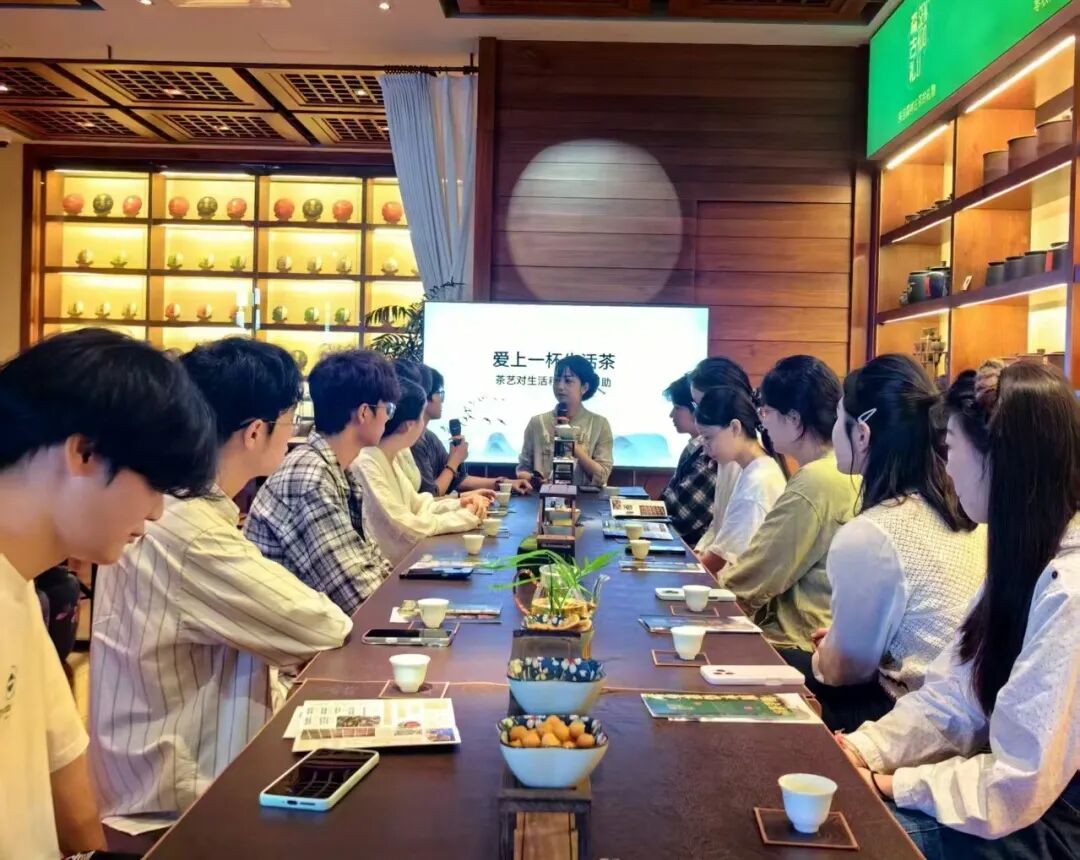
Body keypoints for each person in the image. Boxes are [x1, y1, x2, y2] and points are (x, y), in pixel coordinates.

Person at [90, 338, 353, 825]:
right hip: (176, 807)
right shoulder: (190, 530)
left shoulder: (180, 509)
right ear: (255, 432)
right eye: (291, 421)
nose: (295, 434)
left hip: (168, 780)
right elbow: (323, 626)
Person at [837, 361, 1080, 858]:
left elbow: (1019, 778)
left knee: (843, 836)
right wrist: (862, 750)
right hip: (1005, 799)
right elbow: (956, 698)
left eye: (951, 450)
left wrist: (890, 784)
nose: (946, 468)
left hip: (1056, 819)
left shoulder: (1070, 588)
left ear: (1001, 460)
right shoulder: (1024, 554)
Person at [0, 329, 216, 860]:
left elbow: (65, 776)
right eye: (155, 485)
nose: (157, 512)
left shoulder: (20, 585)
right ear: (84, 452)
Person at [801, 354, 985, 732]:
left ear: (862, 434)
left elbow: (844, 671)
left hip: (909, 712)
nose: (833, 432)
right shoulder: (962, 511)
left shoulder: (874, 532)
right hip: (964, 709)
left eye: (838, 420)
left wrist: (830, 650)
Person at [720, 355, 859, 652]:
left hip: (797, 641)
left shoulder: (816, 480)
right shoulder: (844, 469)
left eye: (766, 411)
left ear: (794, 419)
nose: (762, 421)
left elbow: (757, 573)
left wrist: (705, 601)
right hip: (825, 638)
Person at [245, 349, 398, 612]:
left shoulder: (336, 469)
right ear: (364, 413)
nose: (388, 418)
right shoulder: (311, 477)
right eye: (388, 409)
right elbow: (358, 596)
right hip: (296, 636)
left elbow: (371, 562)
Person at [355, 379, 489, 566]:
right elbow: (404, 526)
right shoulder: (367, 461)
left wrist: (459, 504)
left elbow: (419, 506)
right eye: (422, 417)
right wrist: (465, 517)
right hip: (390, 570)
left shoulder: (390, 457)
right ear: (408, 425)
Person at [694, 386, 787, 574]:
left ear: (735, 428)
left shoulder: (757, 481)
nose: (705, 448)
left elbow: (721, 559)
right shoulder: (755, 468)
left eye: (708, 438)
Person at [412, 364, 531, 497]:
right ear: (425, 396)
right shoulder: (412, 442)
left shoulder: (429, 437)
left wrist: (505, 483)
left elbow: (458, 481)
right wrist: (454, 462)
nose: (442, 401)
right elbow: (430, 494)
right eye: (440, 394)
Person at [687, 357, 753, 555]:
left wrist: (701, 561)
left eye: (702, 404)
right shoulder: (726, 450)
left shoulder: (741, 455)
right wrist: (699, 552)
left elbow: (732, 545)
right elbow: (718, 522)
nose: (698, 413)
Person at [516, 355, 613, 488]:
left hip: (585, 499)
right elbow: (523, 469)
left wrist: (570, 444)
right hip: (543, 496)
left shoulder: (599, 424)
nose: (560, 386)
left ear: (584, 387)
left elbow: (602, 476)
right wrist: (533, 480)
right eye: (556, 380)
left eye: (568, 381)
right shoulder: (537, 422)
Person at [659, 374, 716, 547]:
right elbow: (669, 500)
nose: (671, 415)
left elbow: (683, 519)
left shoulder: (710, 453)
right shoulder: (694, 446)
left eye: (677, 408)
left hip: (688, 546)